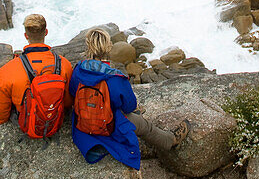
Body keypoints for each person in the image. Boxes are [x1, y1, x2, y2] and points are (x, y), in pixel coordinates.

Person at [67, 28, 189, 169]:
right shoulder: (115, 77)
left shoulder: (78, 70)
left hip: (83, 122)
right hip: (107, 125)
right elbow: (129, 106)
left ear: (88, 46)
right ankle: (171, 140)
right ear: (108, 47)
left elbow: (72, 91)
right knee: (144, 126)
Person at [0, 13, 72, 125]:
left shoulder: (9, 69)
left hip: (27, 120)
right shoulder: (64, 64)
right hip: (54, 115)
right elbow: (68, 100)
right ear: (46, 32)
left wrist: (3, 119)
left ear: (26, 35)